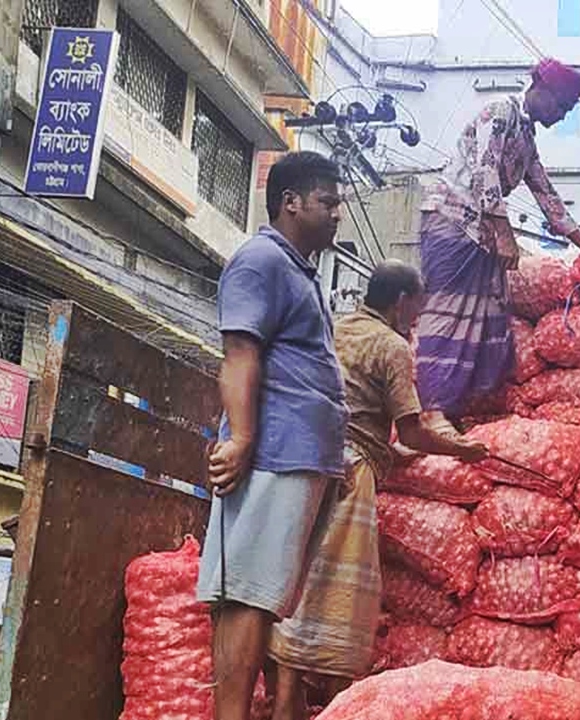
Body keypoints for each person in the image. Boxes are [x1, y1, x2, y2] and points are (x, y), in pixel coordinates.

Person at [267, 260, 489, 720]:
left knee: (300, 584)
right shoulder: (392, 345)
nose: (417, 318)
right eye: (417, 308)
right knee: (340, 595)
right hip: (349, 475)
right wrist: (458, 450)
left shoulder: (339, 329)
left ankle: (287, 698)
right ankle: (338, 706)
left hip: (307, 460)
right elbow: (411, 433)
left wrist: (393, 453)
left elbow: (358, 412)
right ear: (403, 301)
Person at [196, 151, 348, 720]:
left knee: (263, 598)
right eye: (327, 203)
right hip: (272, 455)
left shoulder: (298, 271)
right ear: (290, 202)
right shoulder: (260, 262)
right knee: (246, 598)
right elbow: (239, 355)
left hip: (300, 456)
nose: (337, 215)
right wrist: (240, 438)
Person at [414, 57, 580, 423]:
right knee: (448, 319)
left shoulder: (527, 140)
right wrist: (504, 233)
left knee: (489, 322)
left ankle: (461, 412)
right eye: (562, 106)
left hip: (480, 235)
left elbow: (546, 194)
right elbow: (485, 172)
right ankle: (432, 414)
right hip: (452, 225)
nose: (562, 116)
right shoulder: (500, 111)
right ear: (541, 90)